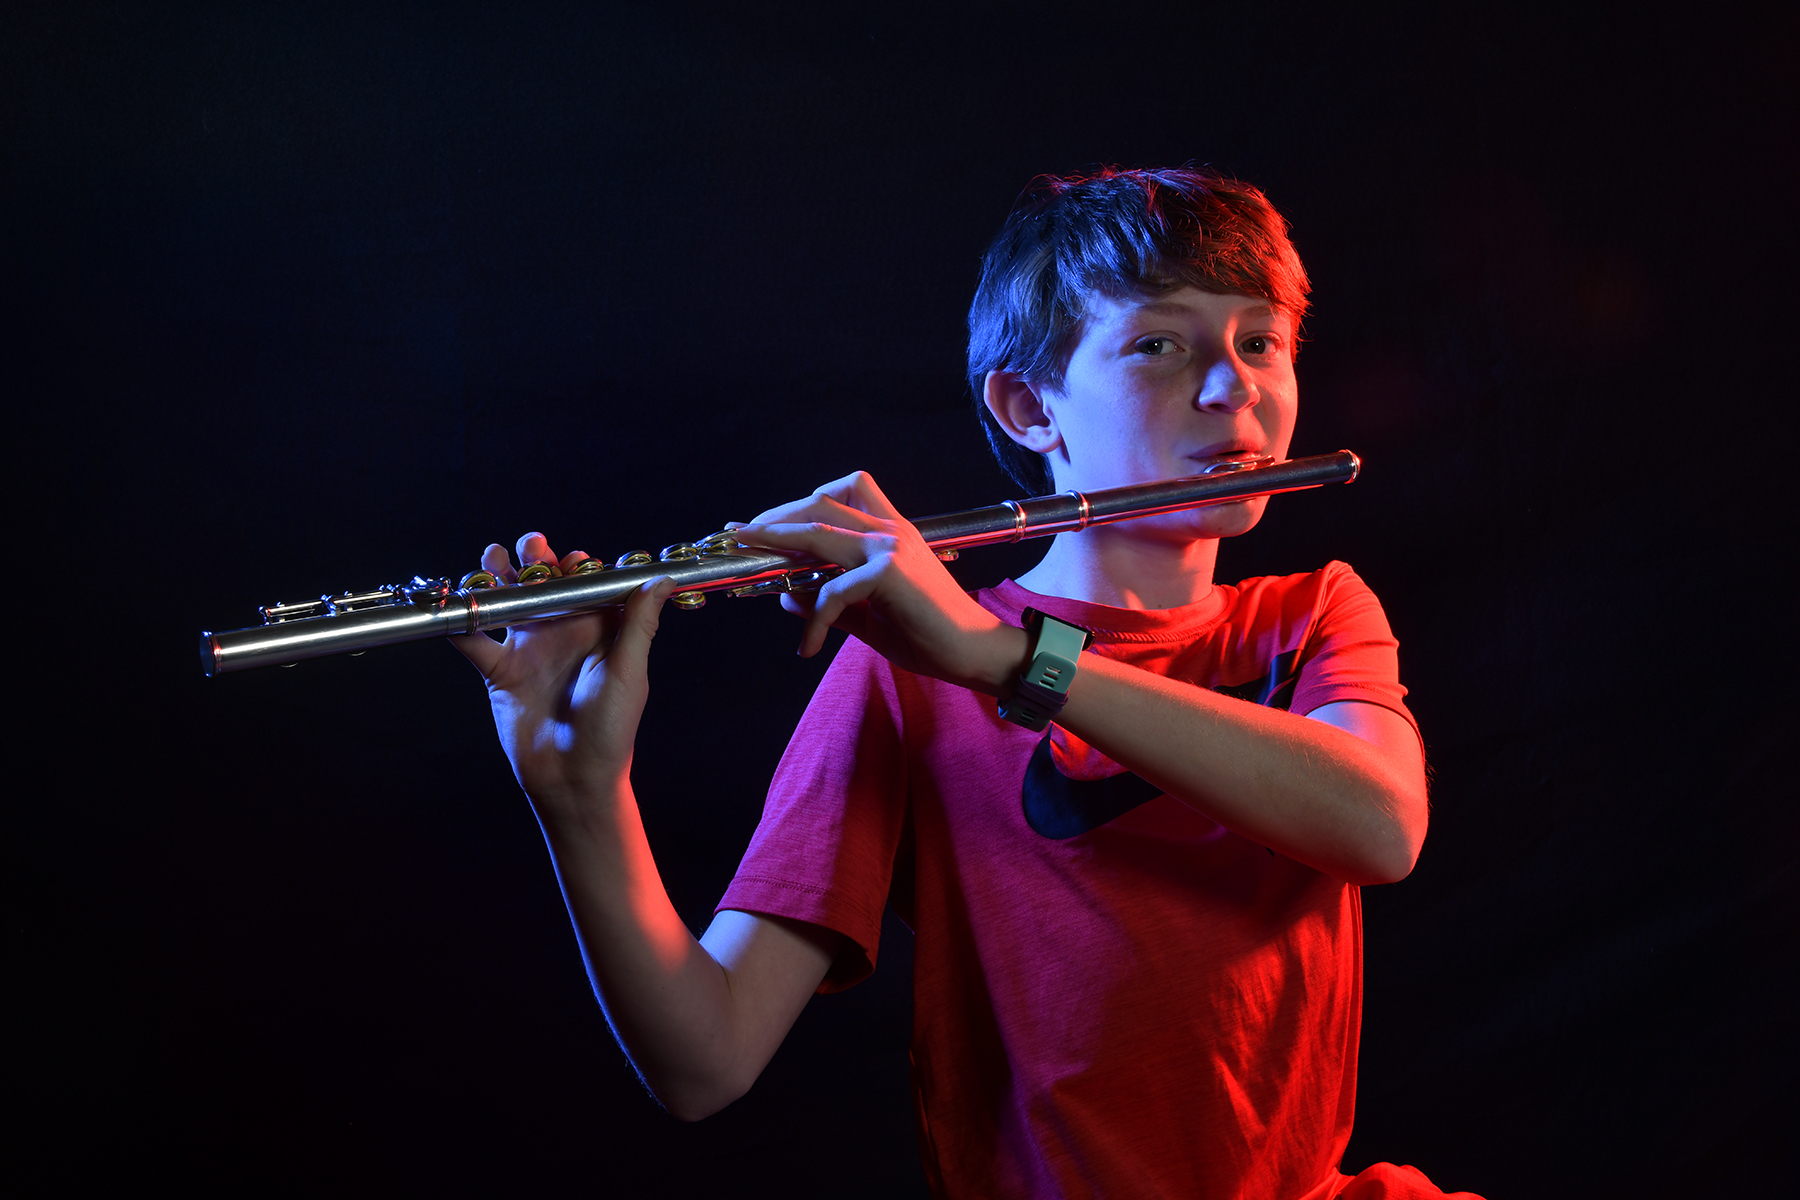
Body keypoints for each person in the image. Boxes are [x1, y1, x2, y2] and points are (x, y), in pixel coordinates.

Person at [452, 168, 1481, 1199]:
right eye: (1160, 344)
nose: (1233, 388)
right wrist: (581, 799)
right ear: (1032, 406)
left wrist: (1006, 659)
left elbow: (1379, 824)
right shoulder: (905, 673)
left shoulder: (1309, 617)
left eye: (1261, 342)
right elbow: (703, 1061)